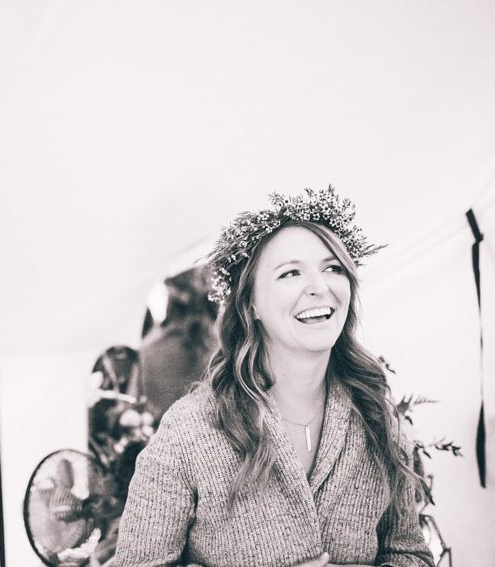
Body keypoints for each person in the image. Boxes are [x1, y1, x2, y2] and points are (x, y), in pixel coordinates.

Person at [112, 187, 434, 567]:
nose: (319, 286)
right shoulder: (189, 432)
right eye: (291, 273)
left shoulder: (379, 419)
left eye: (333, 268)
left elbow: (411, 555)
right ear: (250, 304)